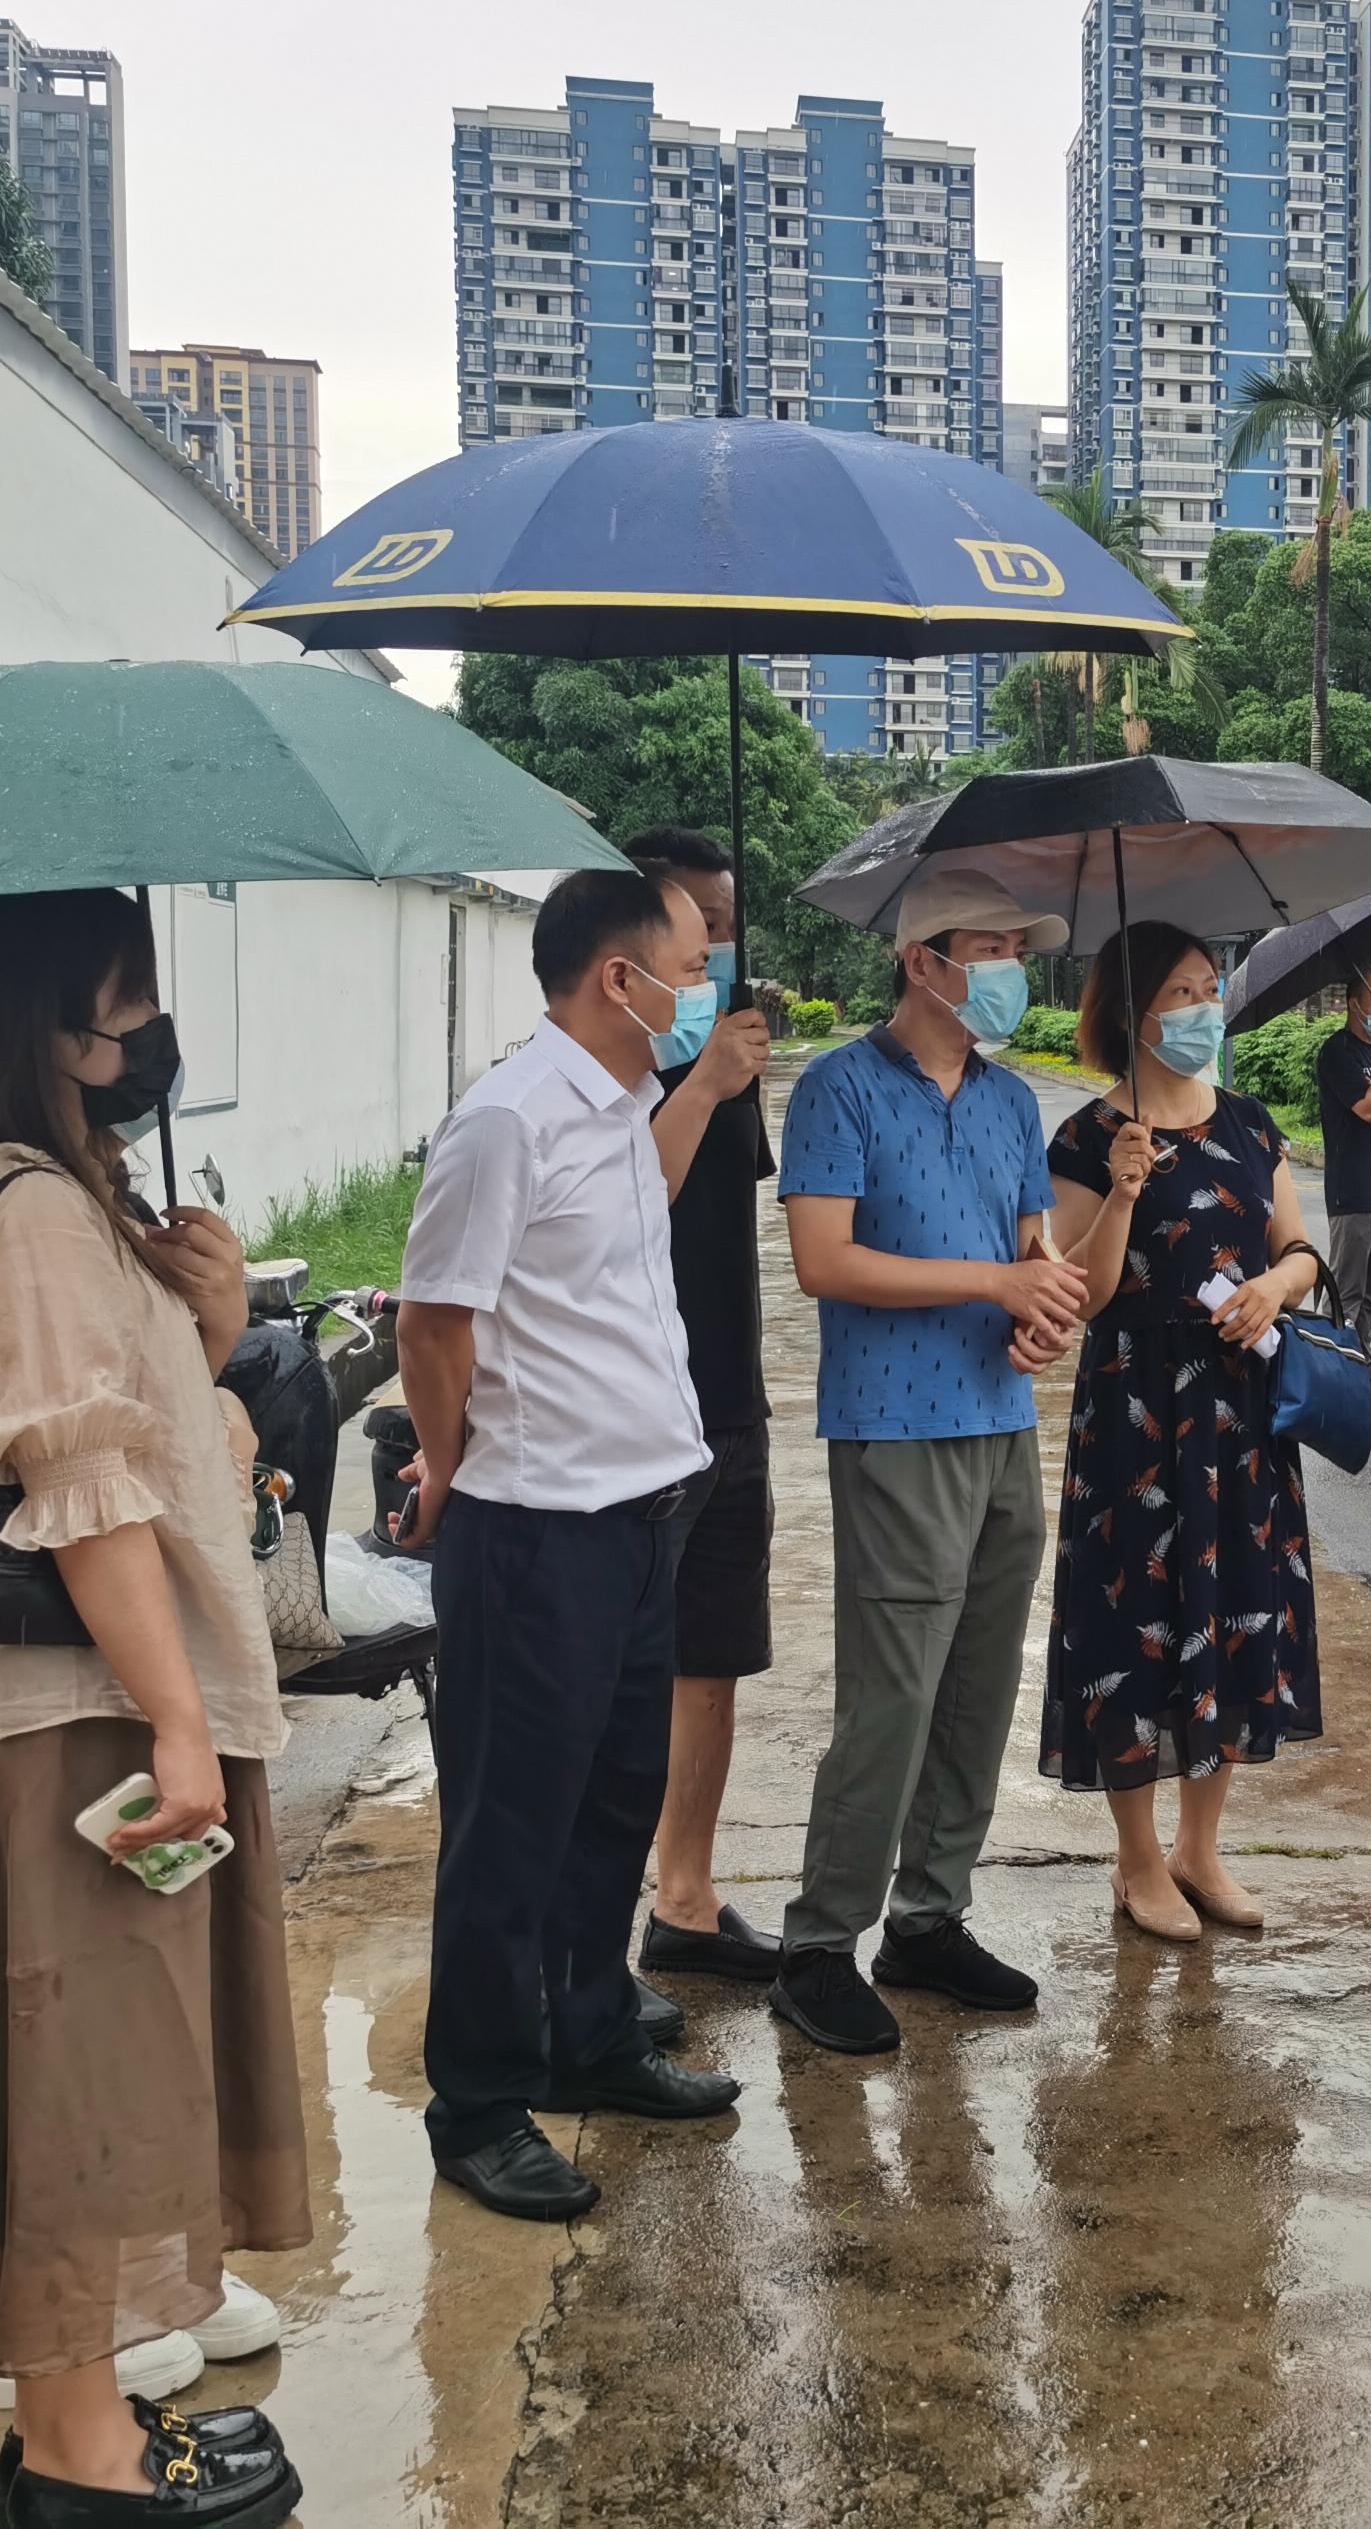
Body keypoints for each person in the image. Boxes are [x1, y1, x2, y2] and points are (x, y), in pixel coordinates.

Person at [0, 890, 307, 2522]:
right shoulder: (31, 1207)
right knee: (76, 2080)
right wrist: (177, 1720)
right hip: (80, 1713)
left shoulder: (41, 1196)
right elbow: (84, 1495)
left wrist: (205, 1321)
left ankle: (85, 2432)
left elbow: (136, 1426)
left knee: (99, 2071)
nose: (152, 1038)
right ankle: (77, 2462)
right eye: (132, 1004)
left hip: (86, 1700)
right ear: (46, 1027)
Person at [396, 868, 739, 2226]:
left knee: (612, 1807)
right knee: (509, 1832)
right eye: (693, 966)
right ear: (620, 978)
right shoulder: (507, 1121)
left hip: (643, 1520)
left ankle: (590, 2032)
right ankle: (480, 2105)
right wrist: (454, 1468)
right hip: (537, 1532)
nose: (707, 989)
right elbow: (435, 1322)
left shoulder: (625, 1107)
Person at [771, 871, 1092, 2055]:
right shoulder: (840, 1087)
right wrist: (995, 1282)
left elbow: (1032, 1251)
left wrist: (1041, 1312)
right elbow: (824, 1259)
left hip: (1001, 1419)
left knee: (979, 1682)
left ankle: (928, 1916)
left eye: (1017, 950)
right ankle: (820, 1943)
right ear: (924, 961)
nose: (1011, 970)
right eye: (990, 949)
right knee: (895, 1694)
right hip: (896, 1424)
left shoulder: (1011, 1102)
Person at [1045, 920, 1331, 1938]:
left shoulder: (1249, 1123)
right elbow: (1082, 1292)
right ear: (1132, 1012)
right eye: (1181, 992)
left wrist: (1276, 1287)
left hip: (1240, 1409)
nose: (1205, 1007)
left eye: (1211, 987)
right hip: (1135, 1405)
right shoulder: (1087, 1137)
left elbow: (1299, 1247)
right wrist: (1122, 1192)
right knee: (1131, 1622)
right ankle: (1136, 1862)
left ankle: (1199, 1849)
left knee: (1235, 1608)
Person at [620, 827, 786, 1990]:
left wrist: (726, 1078)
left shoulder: (720, 1052)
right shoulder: (597, 1072)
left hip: (726, 1393)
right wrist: (704, 1083)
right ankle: (590, 1928)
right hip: (628, 1416)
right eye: (699, 931)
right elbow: (620, 1204)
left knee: (712, 1661)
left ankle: (685, 1895)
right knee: (619, 1668)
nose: (718, 953)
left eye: (727, 931)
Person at [1308, 966, 1371, 1397]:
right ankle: (1332, 1374)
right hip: (1353, 1191)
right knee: (1346, 1290)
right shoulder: (1339, 1053)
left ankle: (1362, 1367)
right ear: (1355, 1004)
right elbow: (1368, 1110)